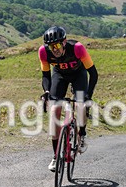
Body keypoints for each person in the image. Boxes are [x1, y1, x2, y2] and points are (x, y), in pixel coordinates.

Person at [39, 26, 98, 172]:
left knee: (80, 106)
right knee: (54, 111)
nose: (55, 49)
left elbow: (94, 74)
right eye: (52, 46)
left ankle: (82, 134)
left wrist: (88, 95)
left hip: (79, 75)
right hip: (59, 75)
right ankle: (55, 156)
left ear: (64, 42)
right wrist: (46, 91)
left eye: (58, 45)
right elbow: (45, 76)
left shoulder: (78, 48)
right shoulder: (44, 52)